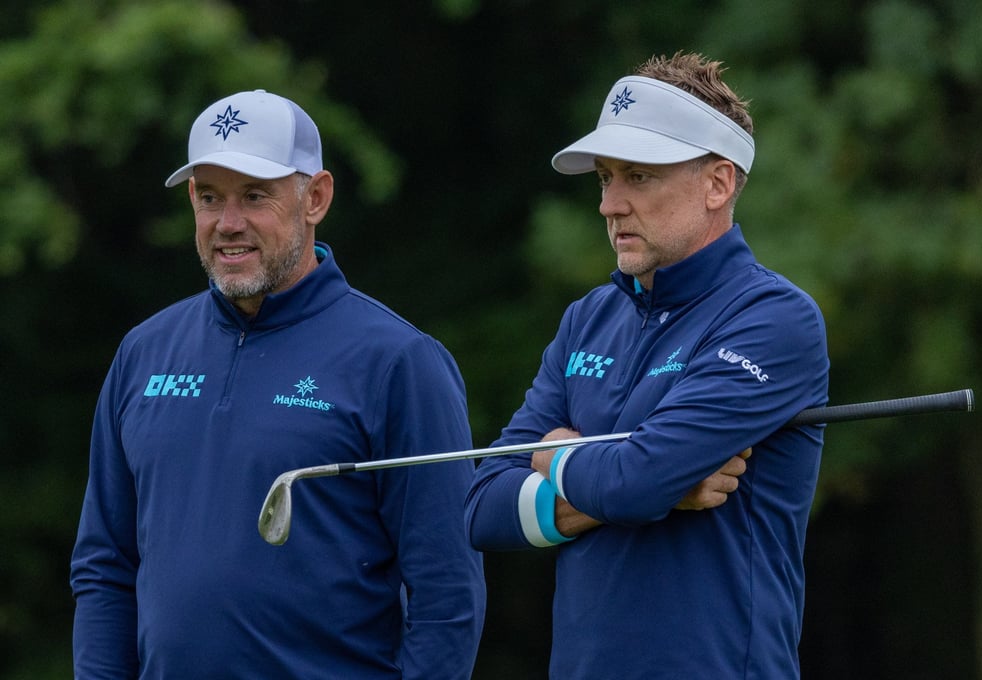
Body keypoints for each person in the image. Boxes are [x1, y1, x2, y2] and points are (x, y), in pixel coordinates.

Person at [70, 90, 485, 679]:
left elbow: (447, 594)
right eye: (210, 197)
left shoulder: (399, 362)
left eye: (255, 196)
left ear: (315, 197)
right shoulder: (143, 352)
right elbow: (105, 565)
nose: (228, 224)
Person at [465, 52, 829, 679]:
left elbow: (635, 482)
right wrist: (644, 485)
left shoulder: (774, 318)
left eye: (639, 176)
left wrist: (558, 458)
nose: (610, 205)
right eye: (605, 178)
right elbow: (481, 505)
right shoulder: (589, 316)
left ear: (718, 183)